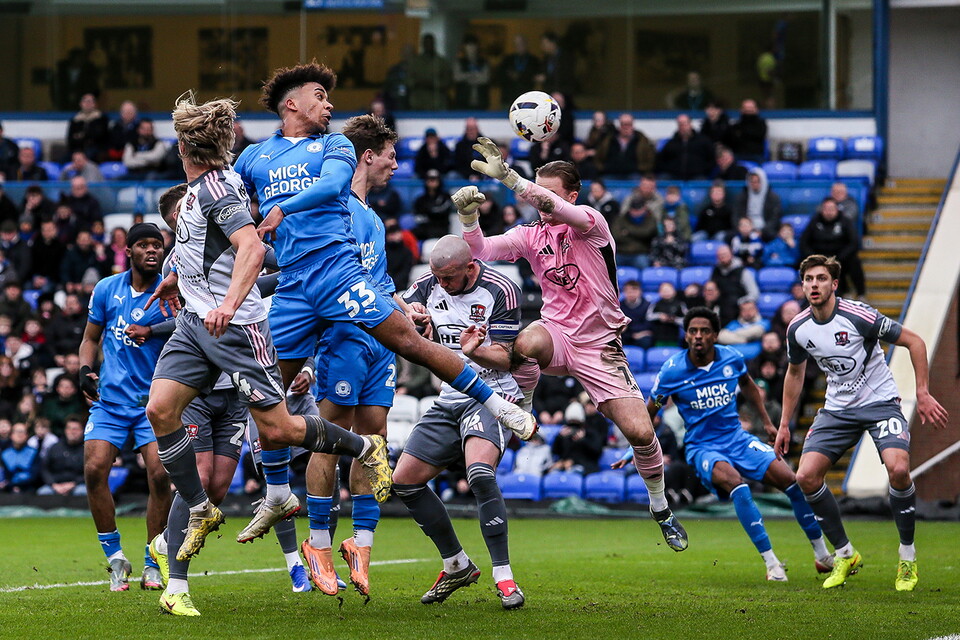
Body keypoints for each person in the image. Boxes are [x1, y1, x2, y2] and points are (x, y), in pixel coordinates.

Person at [230, 64, 535, 544]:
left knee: (410, 343)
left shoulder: (335, 146)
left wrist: (280, 209)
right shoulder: (252, 157)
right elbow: (219, 205)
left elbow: (333, 186)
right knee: (266, 392)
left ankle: (497, 404)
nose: (329, 104)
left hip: (335, 276)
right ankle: (275, 495)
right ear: (291, 103)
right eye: (319, 95)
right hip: (291, 285)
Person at [144, 92, 393, 616]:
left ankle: (364, 448)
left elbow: (254, 248)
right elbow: (202, 247)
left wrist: (230, 303)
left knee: (278, 430)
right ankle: (198, 517)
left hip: (235, 327)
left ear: (185, 145)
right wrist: (175, 275)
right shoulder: (192, 193)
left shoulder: (216, 186)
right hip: (194, 323)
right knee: (159, 411)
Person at [454, 139, 688, 552]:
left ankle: (660, 508)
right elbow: (482, 250)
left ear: (572, 196)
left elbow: (553, 206)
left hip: (600, 344)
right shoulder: (532, 235)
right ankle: (523, 406)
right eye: (540, 193)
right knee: (525, 341)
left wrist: (510, 177)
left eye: (552, 194)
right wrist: (469, 217)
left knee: (640, 433)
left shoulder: (590, 222)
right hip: (558, 335)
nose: (543, 203)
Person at [775, 255, 949, 591]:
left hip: (880, 404)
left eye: (821, 278)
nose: (814, 285)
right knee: (806, 476)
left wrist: (923, 392)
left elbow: (915, 341)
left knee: (898, 469)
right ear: (802, 285)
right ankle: (845, 553)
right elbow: (795, 372)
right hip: (837, 410)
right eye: (809, 279)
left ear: (834, 284)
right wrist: (784, 423)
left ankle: (907, 558)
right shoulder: (798, 328)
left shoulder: (859, 316)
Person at [641, 307, 833, 581]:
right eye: (693, 331)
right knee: (737, 484)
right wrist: (635, 447)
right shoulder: (672, 371)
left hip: (738, 439)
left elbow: (750, 387)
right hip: (703, 447)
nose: (698, 336)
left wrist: (768, 423)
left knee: (792, 482)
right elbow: (650, 411)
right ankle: (772, 564)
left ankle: (822, 555)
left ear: (715, 335)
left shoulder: (732, 358)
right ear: (686, 336)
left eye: (704, 331)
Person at [297, 114, 402, 598]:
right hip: (343, 337)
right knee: (328, 434)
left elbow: (377, 283)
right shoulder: (334, 207)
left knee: (374, 436)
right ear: (367, 155)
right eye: (390, 156)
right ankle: (318, 544)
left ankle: (361, 545)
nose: (395, 166)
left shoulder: (373, 217)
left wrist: (405, 307)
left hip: (381, 340)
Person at [394, 235, 528, 610]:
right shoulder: (431, 282)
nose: (443, 285)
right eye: (437, 278)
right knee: (404, 481)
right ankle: (456, 564)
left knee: (480, 474)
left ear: (470, 267)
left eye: (449, 278)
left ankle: (504, 578)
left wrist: (475, 351)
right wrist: (410, 312)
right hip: (449, 398)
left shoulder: (502, 290)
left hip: (492, 396)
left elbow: (506, 359)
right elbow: (400, 299)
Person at [77, 222, 173, 592]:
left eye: (157, 245)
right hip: (112, 402)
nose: (152, 250)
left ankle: (153, 560)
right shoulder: (106, 289)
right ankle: (116, 557)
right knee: (93, 468)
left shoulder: (171, 291)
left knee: (161, 476)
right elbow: (90, 338)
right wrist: (85, 369)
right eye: (144, 245)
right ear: (128, 251)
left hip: (155, 402)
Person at [799, 197, 866, 299]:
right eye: (826, 209)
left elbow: (854, 242)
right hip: (820, 258)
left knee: (854, 261)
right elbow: (804, 243)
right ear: (822, 210)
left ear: (837, 209)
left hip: (841, 257)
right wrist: (814, 257)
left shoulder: (845, 221)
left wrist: (840, 257)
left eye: (832, 209)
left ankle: (860, 293)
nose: (829, 212)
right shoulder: (814, 222)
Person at [549, 401, 605, 475]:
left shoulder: (590, 433)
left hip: (585, 467)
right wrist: (559, 437)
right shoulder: (564, 434)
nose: (573, 427)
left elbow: (597, 451)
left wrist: (583, 440)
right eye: (571, 422)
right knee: (553, 473)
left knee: (574, 472)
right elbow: (555, 452)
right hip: (565, 466)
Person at [710, 244, 760, 325]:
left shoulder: (742, 271)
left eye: (725, 254)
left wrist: (741, 302)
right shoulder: (715, 271)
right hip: (720, 308)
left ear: (731, 254)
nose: (722, 257)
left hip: (738, 310)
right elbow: (711, 288)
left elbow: (754, 294)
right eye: (720, 255)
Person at [596, 113, 655, 179]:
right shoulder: (608, 140)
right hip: (610, 173)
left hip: (634, 174)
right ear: (619, 125)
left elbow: (650, 161)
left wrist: (639, 168)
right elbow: (598, 158)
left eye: (629, 124)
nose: (626, 127)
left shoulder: (642, 141)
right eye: (623, 124)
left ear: (633, 125)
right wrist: (604, 168)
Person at [656, 114, 715, 180]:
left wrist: (702, 169)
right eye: (680, 124)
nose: (683, 127)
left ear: (690, 124)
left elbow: (712, 159)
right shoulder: (671, 143)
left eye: (685, 124)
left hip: (697, 176)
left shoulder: (703, 141)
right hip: (674, 177)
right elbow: (661, 161)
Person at [37, 414, 85, 495]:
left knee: (81, 492)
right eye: (69, 428)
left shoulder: (86, 449)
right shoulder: (54, 447)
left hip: (77, 485)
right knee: (43, 492)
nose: (72, 432)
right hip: (55, 485)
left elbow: (89, 472)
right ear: (65, 430)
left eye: (75, 429)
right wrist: (53, 484)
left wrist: (73, 484)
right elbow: (44, 469)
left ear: (82, 431)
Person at [735, 167, 782, 242]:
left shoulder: (773, 198)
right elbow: (736, 215)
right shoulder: (742, 196)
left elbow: (775, 218)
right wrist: (743, 228)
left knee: (773, 236)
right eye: (752, 182)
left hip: (765, 230)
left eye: (757, 181)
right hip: (745, 228)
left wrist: (762, 231)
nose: (754, 184)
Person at [409, 33, 453, 110]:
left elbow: (448, 81)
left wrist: (433, 84)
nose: (428, 45)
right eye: (426, 43)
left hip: (437, 103)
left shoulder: (441, 62)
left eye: (430, 43)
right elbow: (407, 80)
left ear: (434, 44)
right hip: (418, 103)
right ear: (423, 44)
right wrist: (418, 82)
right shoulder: (415, 62)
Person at [497, 35, 541, 109]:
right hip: (509, 98)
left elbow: (535, 76)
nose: (519, 47)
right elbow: (500, 76)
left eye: (521, 44)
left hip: (527, 98)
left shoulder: (533, 60)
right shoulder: (508, 60)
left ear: (526, 45)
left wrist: (520, 76)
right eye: (517, 44)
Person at [413, 169, 456, 241]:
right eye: (430, 179)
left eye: (434, 179)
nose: (432, 182)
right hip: (425, 230)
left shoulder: (445, 197)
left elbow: (442, 213)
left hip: (441, 230)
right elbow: (418, 216)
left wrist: (429, 213)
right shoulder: (420, 199)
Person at [66, 93, 110, 161]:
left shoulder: (101, 118)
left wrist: (80, 136)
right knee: (63, 160)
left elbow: (100, 136)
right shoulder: (75, 120)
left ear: (94, 104)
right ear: (81, 104)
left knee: (87, 157)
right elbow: (70, 139)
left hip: (96, 150)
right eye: (85, 101)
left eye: (90, 102)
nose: (87, 104)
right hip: (77, 150)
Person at [452, 35, 491, 111]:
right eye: (469, 46)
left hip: (481, 102)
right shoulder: (459, 62)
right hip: (462, 102)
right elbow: (457, 77)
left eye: (473, 46)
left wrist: (466, 77)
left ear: (477, 47)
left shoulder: (483, 62)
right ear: (464, 47)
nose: (471, 49)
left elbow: (485, 79)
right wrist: (474, 75)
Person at [728, 99, 768, 164]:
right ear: (741, 110)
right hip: (739, 155)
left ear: (756, 109)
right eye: (746, 108)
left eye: (751, 108)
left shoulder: (761, 124)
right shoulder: (736, 126)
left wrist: (742, 133)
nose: (748, 110)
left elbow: (760, 136)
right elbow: (732, 140)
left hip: (756, 155)